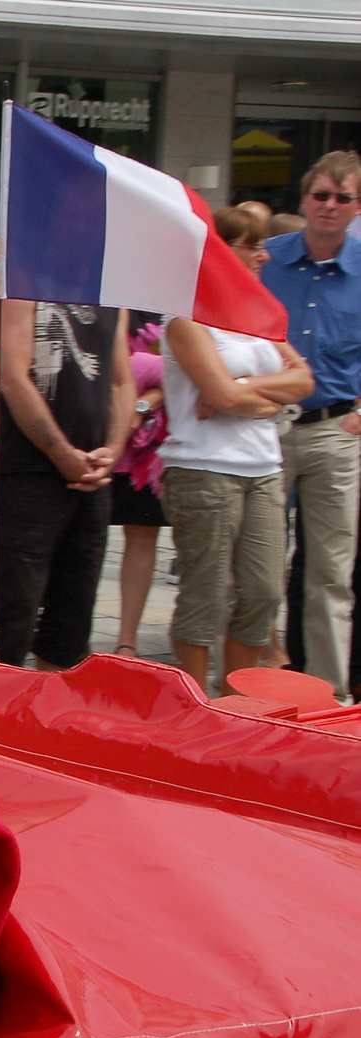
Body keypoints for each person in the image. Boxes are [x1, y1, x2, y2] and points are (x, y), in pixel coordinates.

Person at [159, 207, 313, 692]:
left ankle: (236, 697)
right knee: (207, 595)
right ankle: (193, 706)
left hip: (263, 468)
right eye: (253, 246)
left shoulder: (260, 314)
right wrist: (259, 397)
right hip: (203, 470)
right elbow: (221, 397)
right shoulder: (185, 319)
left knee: (263, 592)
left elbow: (304, 380)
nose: (264, 255)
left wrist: (245, 387)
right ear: (222, 253)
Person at [260, 150, 361, 697]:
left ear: (357, 207)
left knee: (330, 572)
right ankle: (250, 684)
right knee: (257, 567)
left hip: (335, 431)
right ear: (304, 200)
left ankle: (330, 695)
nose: (329, 205)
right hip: (264, 426)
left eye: (342, 198)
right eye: (321, 195)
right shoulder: (267, 259)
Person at [0, 300, 133, 670]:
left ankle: (51, 700)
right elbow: (13, 378)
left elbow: (121, 381)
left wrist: (113, 450)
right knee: (15, 610)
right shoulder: (23, 288)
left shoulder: (111, 297)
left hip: (93, 476)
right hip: (29, 473)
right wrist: (62, 454)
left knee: (73, 615)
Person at [109, 314, 169, 659]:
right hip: (95, 423)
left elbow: (188, 370)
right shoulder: (104, 302)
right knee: (83, 532)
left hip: (152, 443)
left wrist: (145, 402)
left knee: (143, 531)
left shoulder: (172, 309)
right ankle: (70, 628)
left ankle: (126, 640)